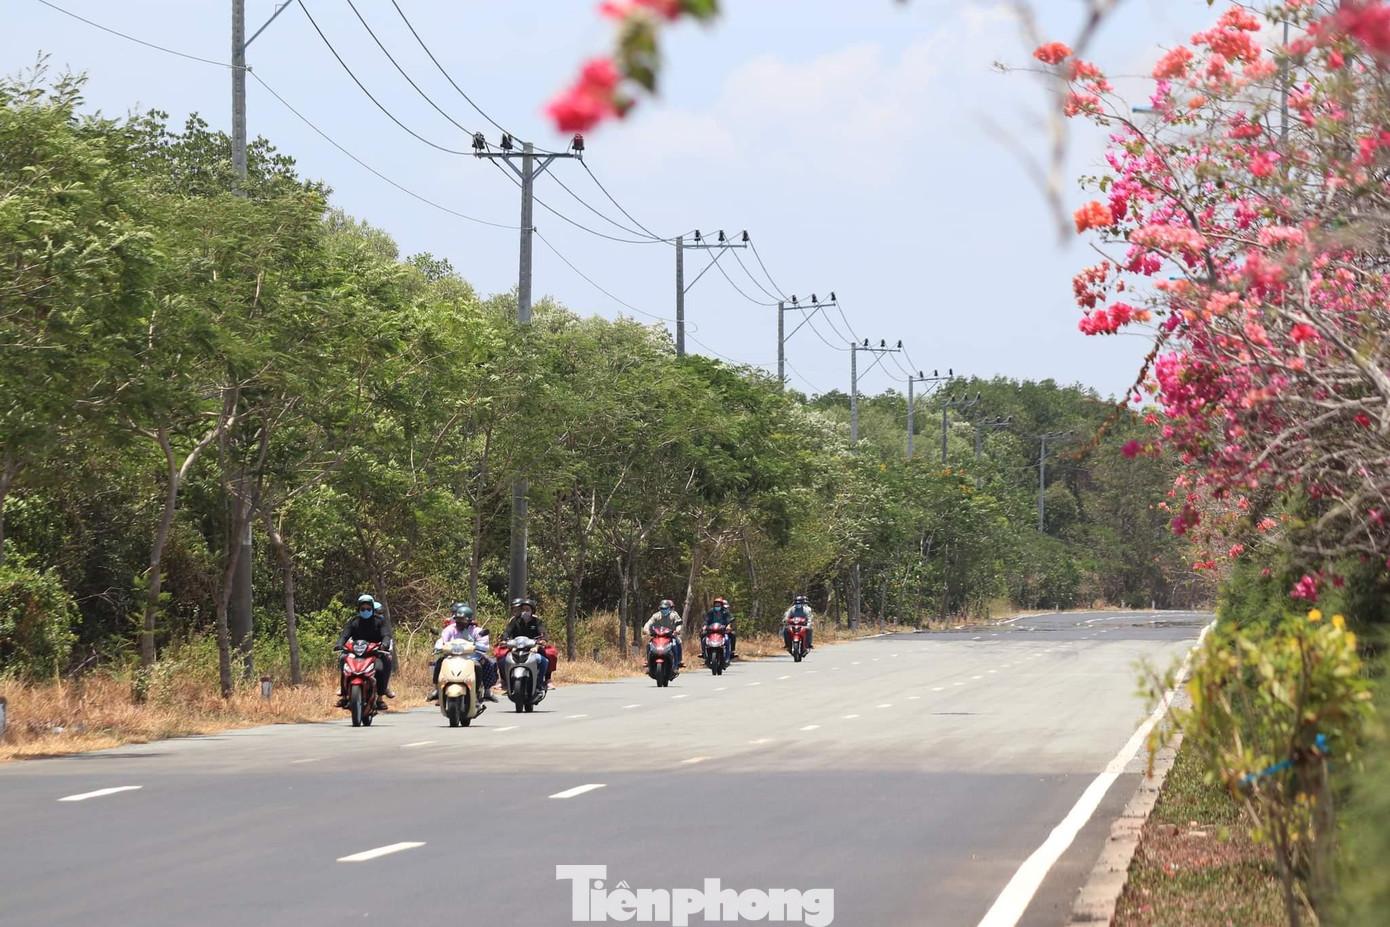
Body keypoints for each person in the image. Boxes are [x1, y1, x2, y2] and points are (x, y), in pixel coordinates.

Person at [428, 604, 498, 702]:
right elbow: (442, 640)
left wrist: (475, 644)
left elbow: (484, 645)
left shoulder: (476, 631)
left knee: (485, 665)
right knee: (439, 662)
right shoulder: (450, 629)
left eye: (463, 620)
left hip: (472, 658)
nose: (459, 623)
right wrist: (438, 647)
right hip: (451, 657)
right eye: (457, 620)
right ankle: (437, 689)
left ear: (469, 621)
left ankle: (485, 691)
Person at [337, 592, 394, 708]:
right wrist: (339, 644)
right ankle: (344, 695)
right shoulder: (353, 621)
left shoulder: (379, 621)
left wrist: (385, 644)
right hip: (356, 653)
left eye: (368, 608)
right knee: (344, 661)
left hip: (375, 653)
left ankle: (380, 698)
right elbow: (344, 635)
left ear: (372, 608)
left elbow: (386, 634)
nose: (365, 611)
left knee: (381, 667)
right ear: (359, 609)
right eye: (363, 609)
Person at [503, 598, 550, 689]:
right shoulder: (515, 621)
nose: (525, 612)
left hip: (533, 649)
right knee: (502, 662)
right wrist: (504, 639)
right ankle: (507, 683)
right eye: (523, 609)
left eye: (527, 610)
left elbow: (542, 632)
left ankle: (539, 684)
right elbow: (507, 631)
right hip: (516, 649)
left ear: (532, 611)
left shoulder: (537, 621)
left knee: (544, 661)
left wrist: (543, 640)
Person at [643, 599, 684, 670]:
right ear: (659, 608)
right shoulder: (656, 615)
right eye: (662, 608)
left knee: (676, 643)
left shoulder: (673, 615)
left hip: (671, 635)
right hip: (658, 635)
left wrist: (677, 630)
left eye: (665, 608)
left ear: (669, 608)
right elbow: (649, 623)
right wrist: (646, 630)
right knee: (649, 645)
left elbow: (679, 624)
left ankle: (678, 662)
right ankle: (648, 661)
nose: (663, 610)